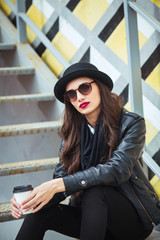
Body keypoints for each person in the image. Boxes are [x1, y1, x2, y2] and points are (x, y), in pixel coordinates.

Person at [11, 62, 160, 240]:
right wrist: (31, 200)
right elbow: (60, 184)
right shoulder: (72, 135)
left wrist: (59, 184)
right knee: (39, 212)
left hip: (130, 224)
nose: (79, 97)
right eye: (71, 94)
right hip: (90, 219)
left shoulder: (131, 124)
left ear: (100, 87)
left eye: (84, 88)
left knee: (94, 189)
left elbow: (117, 169)